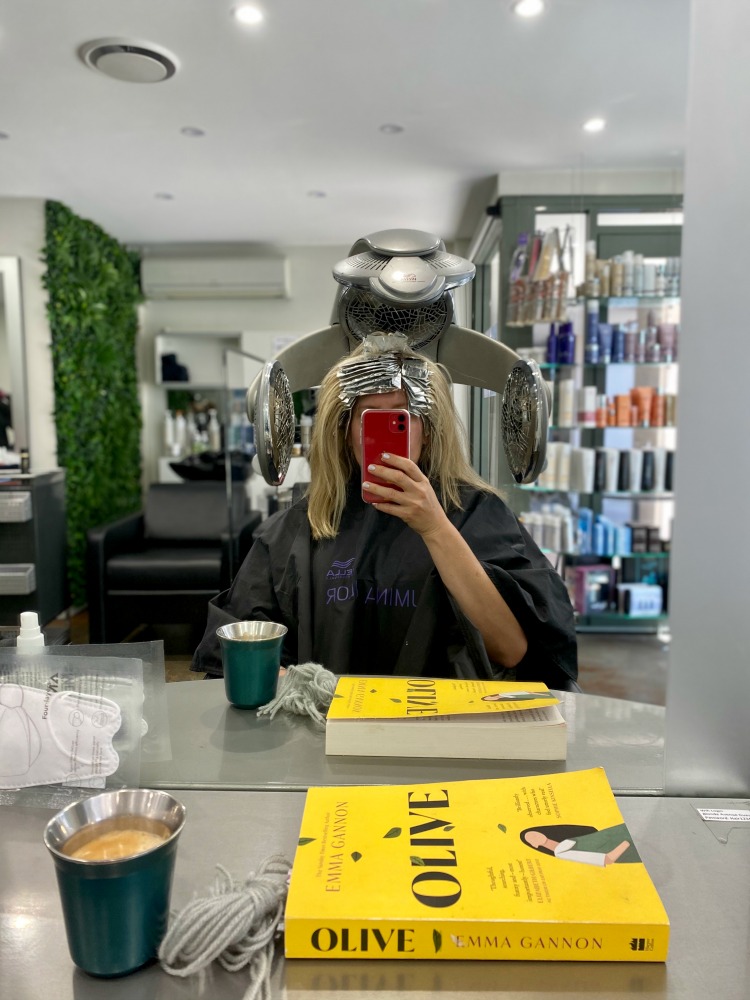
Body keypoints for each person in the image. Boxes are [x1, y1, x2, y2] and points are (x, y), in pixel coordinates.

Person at [192, 334, 578, 688]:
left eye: (403, 417)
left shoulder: (477, 514)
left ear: (429, 430)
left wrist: (435, 529)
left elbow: (511, 650)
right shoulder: (302, 525)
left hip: (445, 733)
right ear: (345, 431)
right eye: (370, 417)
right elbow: (235, 644)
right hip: (326, 735)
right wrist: (299, 686)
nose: (391, 432)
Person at [521, 824, 641, 866]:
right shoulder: (561, 852)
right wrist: (626, 842)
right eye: (531, 838)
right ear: (534, 845)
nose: (536, 836)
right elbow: (608, 859)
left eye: (534, 833)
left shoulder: (569, 839)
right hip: (631, 847)